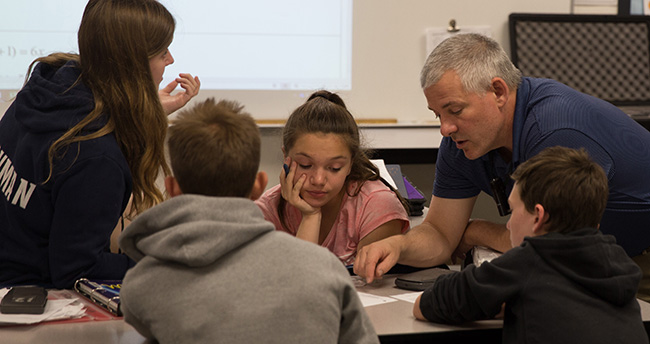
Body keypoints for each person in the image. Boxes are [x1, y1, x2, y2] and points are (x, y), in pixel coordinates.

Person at [355, 33, 650, 300]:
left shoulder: (554, 132)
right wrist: (398, 246)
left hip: (638, 260)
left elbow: (547, 246)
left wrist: (476, 232)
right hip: (596, 260)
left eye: (455, 110)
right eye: (437, 114)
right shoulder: (461, 141)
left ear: (498, 92)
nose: (445, 128)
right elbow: (441, 234)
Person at [118, 98, 379, 344]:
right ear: (259, 186)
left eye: (333, 169)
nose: (320, 179)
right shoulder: (325, 269)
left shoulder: (142, 285)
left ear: (172, 188)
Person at [0, 0, 199, 289]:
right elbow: (77, 268)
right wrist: (166, 264)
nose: (170, 60)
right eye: (161, 52)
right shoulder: (95, 156)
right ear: (133, 63)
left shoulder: (46, 90)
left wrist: (144, 113)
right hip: (26, 299)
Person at [413, 146, 649, 344]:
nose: (508, 225)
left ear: (538, 216)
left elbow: (428, 304)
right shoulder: (619, 263)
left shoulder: (530, 262)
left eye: (513, 210)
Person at [255, 90, 410, 265]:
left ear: (351, 163)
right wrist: (310, 216)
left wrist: (311, 214)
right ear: (286, 157)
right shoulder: (268, 209)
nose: (319, 180)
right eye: (305, 165)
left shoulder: (376, 205)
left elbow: (369, 286)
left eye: (334, 168)